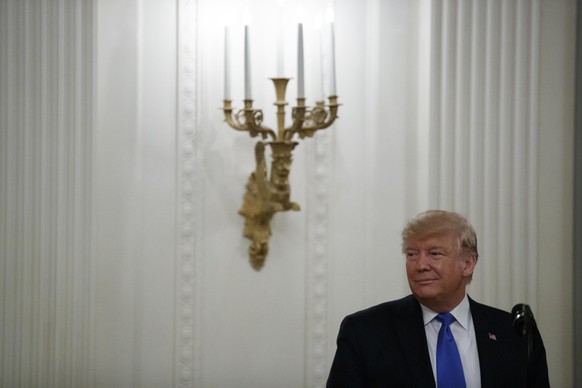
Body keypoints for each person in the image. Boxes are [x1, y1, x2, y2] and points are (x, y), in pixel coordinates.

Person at [326, 210, 550, 387]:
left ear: (468, 264)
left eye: (435, 254)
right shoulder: (365, 331)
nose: (421, 265)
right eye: (412, 254)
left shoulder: (514, 333)